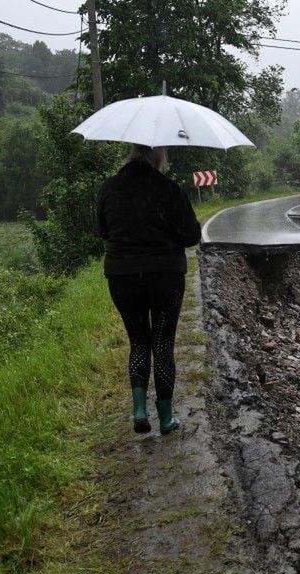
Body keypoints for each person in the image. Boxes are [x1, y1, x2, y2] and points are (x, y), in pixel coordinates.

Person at [97, 144, 201, 435]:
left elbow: (103, 231)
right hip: (165, 277)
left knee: (139, 342)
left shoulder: (109, 188)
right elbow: (191, 236)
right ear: (157, 155)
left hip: (122, 276)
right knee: (163, 343)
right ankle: (166, 418)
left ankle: (139, 410)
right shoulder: (169, 189)